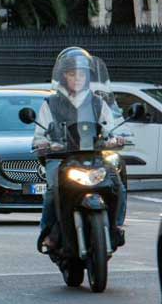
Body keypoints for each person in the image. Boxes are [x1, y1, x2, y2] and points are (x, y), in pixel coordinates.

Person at [33, 47, 128, 251]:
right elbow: (39, 135)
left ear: (88, 76)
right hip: (60, 157)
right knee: (52, 190)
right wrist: (44, 143)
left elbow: (110, 127)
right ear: (63, 76)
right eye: (71, 73)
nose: (77, 78)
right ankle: (49, 231)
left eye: (82, 73)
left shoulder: (97, 102)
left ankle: (116, 225)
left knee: (117, 184)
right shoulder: (51, 103)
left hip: (93, 157)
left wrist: (117, 138)